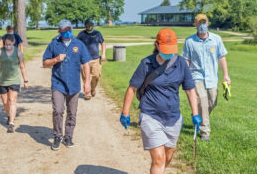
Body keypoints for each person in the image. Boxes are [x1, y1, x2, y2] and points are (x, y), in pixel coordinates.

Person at [120, 28, 202, 174]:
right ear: (157, 45)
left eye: (171, 50)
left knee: (168, 156)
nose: (169, 53)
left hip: (173, 118)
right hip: (150, 115)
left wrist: (195, 114)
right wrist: (125, 113)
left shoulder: (181, 64)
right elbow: (132, 88)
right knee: (158, 158)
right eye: (165, 49)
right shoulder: (146, 64)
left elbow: (190, 90)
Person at [43, 19, 91, 151]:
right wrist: (56, 59)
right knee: (58, 110)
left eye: (69, 29)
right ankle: (57, 136)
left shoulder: (79, 44)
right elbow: (45, 63)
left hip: (74, 85)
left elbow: (86, 64)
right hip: (58, 83)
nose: (68, 32)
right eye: (65, 30)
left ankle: (68, 136)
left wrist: (87, 82)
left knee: (72, 113)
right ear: (59, 31)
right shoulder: (54, 44)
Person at [181, 14, 231, 141]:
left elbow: (222, 57)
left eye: (204, 22)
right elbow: (186, 60)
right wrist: (183, 76)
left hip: (212, 77)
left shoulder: (216, 39)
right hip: (196, 76)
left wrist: (226, 75)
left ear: (208, 23)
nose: (202, 25)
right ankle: (205, 132)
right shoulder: (190, 41)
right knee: (203, 102)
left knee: (212, 102)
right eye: (199, 22)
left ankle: (197, 115)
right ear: (195, 24)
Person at [0, 34, 29, 133]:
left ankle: (11, 123)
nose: (8, 46)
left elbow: (22, 67)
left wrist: (25, 80)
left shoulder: (18, 52)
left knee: (12, 100)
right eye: (6, 44)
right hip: (2, 80)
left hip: (14, 80)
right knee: (5, 102)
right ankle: (10, 115)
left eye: (10, 44)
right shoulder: (0, 52)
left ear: (13, 43)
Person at [76, 18, 106, 100]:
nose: (90, 26)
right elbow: (76, 45)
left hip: (95, 59)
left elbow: (103, 43)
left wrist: (103, 54)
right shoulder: (81, 34)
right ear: (85, 25)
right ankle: (87, 93)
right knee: (86, 77)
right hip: (84, 60)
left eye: (91, 24)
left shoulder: (97, 33)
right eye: (88, 24)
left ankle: (93, 88)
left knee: (96, 76)